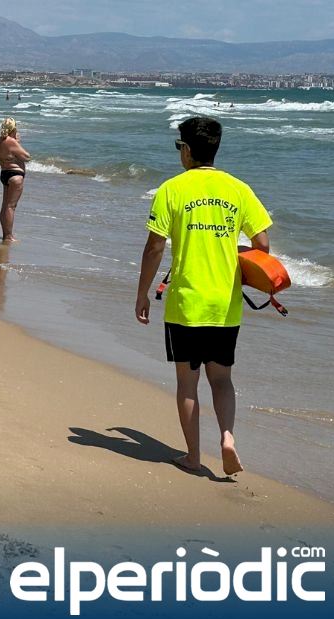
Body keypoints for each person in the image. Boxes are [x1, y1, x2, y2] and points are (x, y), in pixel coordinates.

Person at [135, 116, 273, 477]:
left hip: (186, 303)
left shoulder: (171, 189)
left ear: (186, 149)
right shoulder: (239, 189)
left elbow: (154, 247)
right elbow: (262, 244)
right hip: (225, 304)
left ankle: (194, 457)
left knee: (187, 382)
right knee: (222, 379)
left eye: (179, 146)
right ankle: (227, 437)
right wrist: (229, 254)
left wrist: (142, 293)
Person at [0, 117, 29, 243]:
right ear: (13, 129)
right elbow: (27, 157)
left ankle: (6, 234)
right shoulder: (11, 141)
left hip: (4, 173)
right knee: (11, 206)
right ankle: (8, 236)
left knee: (5, 205)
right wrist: (18, 142)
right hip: (15, 175)